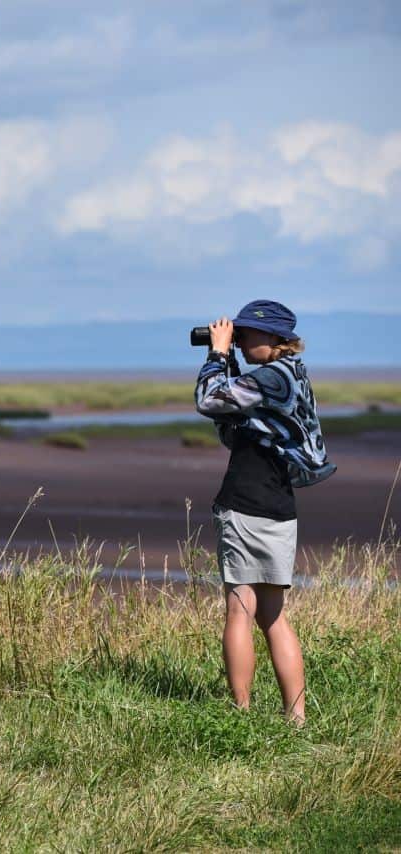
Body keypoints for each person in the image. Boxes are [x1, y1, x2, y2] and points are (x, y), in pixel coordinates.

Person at [194, 299, 335, 725]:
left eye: (245, 334)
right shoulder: (292, 375)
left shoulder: (271, 377)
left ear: (275, 339)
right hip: (279, 506)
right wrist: (233, 360)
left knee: (240, 610)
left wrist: (218, 355)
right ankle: (296, 717)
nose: (239, 338)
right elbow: (239, 419)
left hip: (246, 502)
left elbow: (209, 400)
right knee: (273, 616)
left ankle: (240, 715)